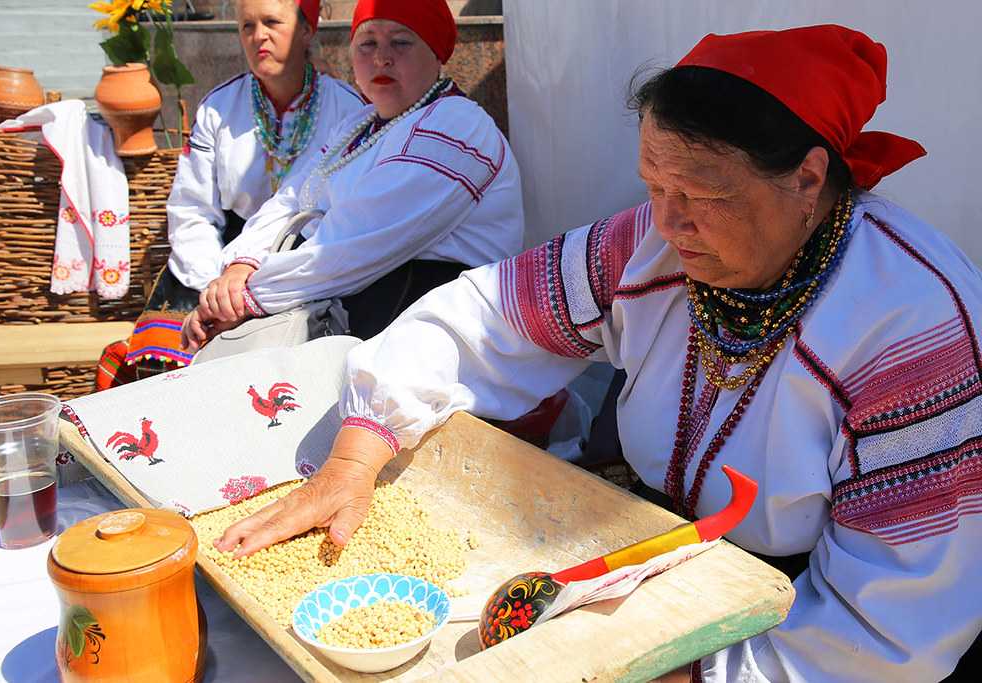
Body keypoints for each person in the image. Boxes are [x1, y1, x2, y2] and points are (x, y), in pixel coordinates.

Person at [215, 25, 982, 682]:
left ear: (807, 179)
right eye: (653, 185)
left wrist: (676, 666)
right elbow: (483, 318)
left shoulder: (909, 328)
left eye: (703, 195)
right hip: (669, 559)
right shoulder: (647, 250)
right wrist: (359, 448)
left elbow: (889, 632)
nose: (669, 222)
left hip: (801, 621)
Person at [180, 0, 524, 353]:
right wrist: (240, 266)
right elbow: (291, 199)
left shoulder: (455, 124)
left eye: (401, 42)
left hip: (438, 342)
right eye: (368, 43)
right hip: (359, 317)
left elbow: (355, 243)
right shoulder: (357, 125)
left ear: (437, 53)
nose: (381, 58)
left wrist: (248, 296)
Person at [99, 0, 364, 387]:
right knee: (160, 361)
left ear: (307, 29)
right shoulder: (219, 109)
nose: (259, 36)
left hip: (312, 258)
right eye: (247, 26)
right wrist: (216, 285)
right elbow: (192, 210)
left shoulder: (349, 109)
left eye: (272, 22)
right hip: (223, 263)